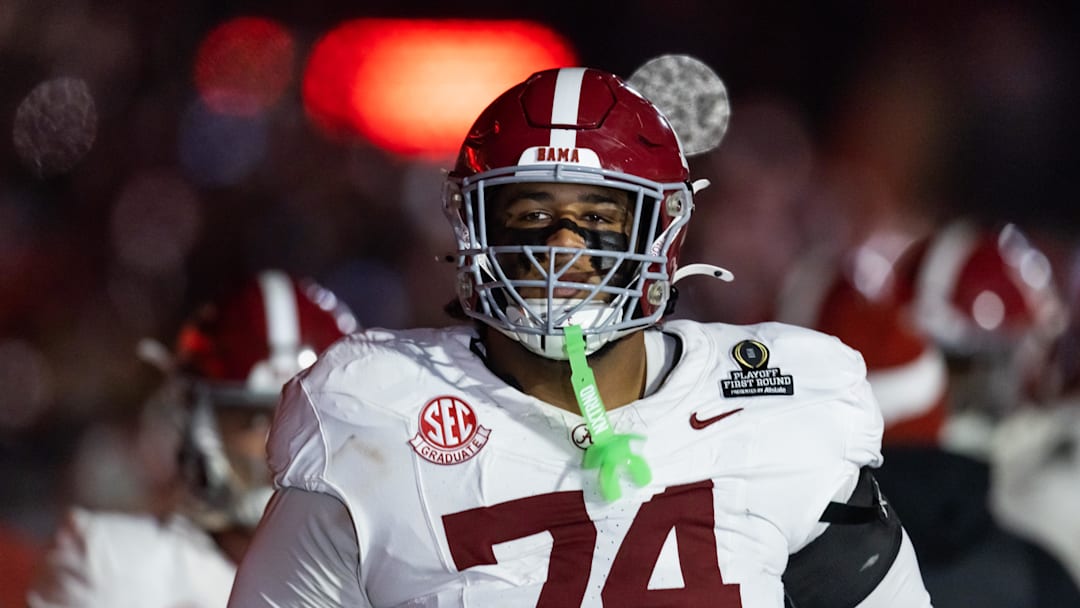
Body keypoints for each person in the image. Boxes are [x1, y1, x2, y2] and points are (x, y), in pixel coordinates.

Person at [229, 67, 933, 607]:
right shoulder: (378, 412)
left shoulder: (777, 401)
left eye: (600, 218)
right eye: (531, 215)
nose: (565, 248)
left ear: (664, 234)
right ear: (476, 229)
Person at [27, 269, 355, 607]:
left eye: (314, 420)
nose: (291, 446)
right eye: (257, 420)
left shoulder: (396, 584)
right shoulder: (114, 568)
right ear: (198, 427)